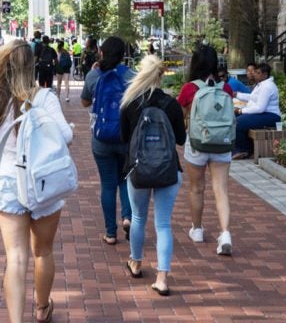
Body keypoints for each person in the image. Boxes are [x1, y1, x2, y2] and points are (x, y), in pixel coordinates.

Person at [0, 39, 72, 323]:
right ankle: (42, 308)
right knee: (43, 251)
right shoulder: (44, 98)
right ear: (34, 65)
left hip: (8, 181)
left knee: (15, 258)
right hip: (43, 183)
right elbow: (65, 136)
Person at [119, 54, 186, 296]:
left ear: (141, 73)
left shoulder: (130, 102)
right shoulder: (171, 104)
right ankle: (162, 278)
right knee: (163, 223)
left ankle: (136, 263)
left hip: (138, 169)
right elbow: (180, 139)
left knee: (138, 218)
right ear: (160, 76)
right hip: (168, 169)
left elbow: (125, 139)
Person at [179, 46, 235, 255]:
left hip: (197, 142)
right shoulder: (225, 89)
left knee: (196, 188)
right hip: (222, 142)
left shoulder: (189, 89)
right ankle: (225, 233)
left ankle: (197, 229)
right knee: (221, 189)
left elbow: (181, 113)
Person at [80, 36, 135, 245]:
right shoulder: (131, 75)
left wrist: (94, 72)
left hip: (101, 138)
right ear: (123, 55)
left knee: (108, 183)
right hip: (125, 136)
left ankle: (110, 233)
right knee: (125, 179)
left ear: (101, 53)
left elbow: (85, 102)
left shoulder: (94, 75)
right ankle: (128, 217)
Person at [232, 63, 281, 159]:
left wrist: (241, 111)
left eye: (258, 73)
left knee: (238, 122)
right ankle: (241, 149)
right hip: (264, 114)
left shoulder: (267, 86)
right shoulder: (261, 85)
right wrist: (236, 95)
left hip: (271, 116)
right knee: (234, 119)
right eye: (255, 72)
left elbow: (260, 108)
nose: (254, 74)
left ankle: (245, 150)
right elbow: (252, 97)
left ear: (265, 75)